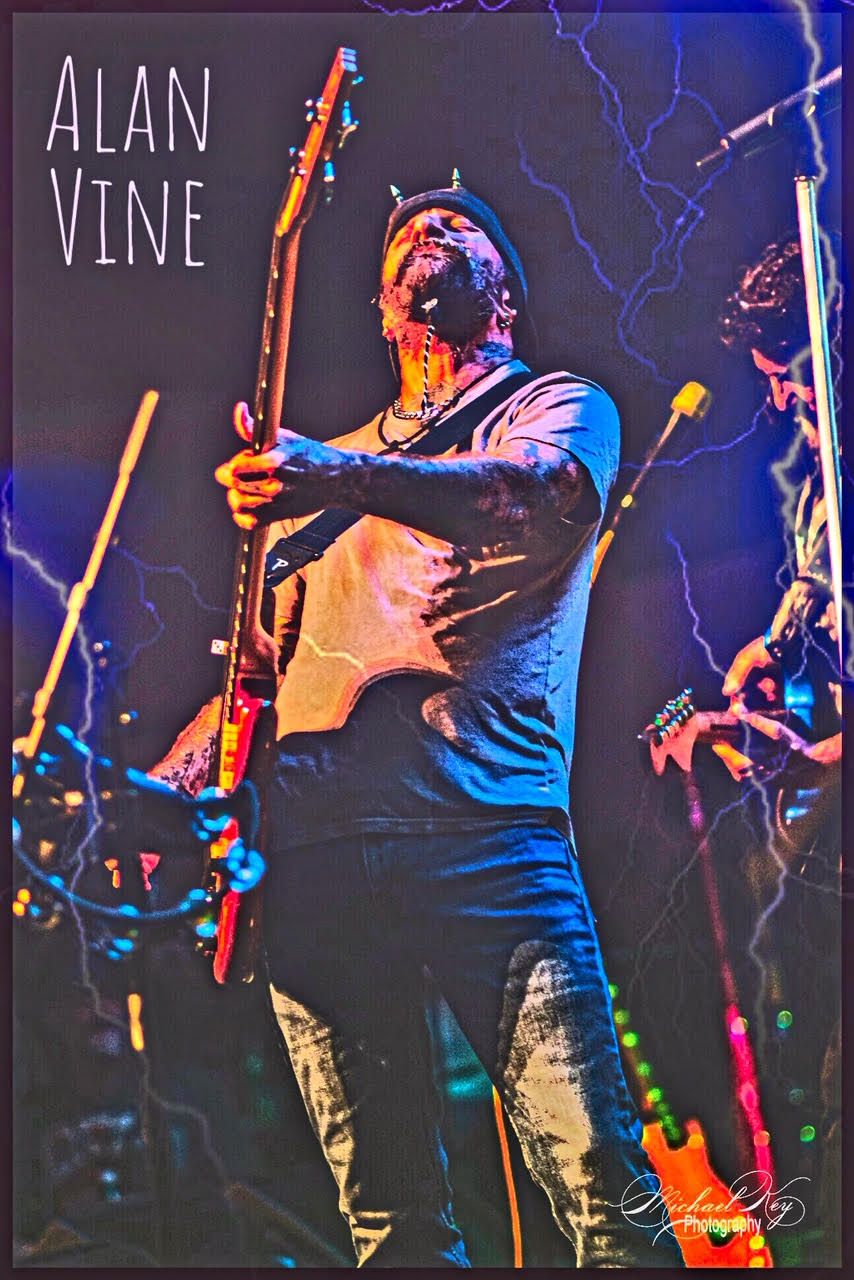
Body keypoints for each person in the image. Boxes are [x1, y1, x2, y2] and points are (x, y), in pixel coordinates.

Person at [160, 179, 683, 1268]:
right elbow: (254, 681)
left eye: (458, 225)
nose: (428, 229)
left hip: (490, 837)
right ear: (382, 309)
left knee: (601, 1187)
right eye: (406, 229)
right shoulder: (308, 481)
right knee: (389, 1227)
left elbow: (536, 496)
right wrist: (159, 789)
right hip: (315, 862)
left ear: (504, 295)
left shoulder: (553, 405)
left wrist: (333, 473)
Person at [718, 233, 841, 1264]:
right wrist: (774, 646)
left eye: (786, 376)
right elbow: (817, 580)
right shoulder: (814, 475)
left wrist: (824, 761)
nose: (777, 401)